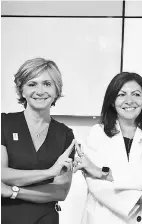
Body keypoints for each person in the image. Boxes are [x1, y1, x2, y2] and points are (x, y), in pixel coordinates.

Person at [72, 72, 142, 224]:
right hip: (103, 217)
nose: (129, 101)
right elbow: (97, 185)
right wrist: (141, 198)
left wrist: (104, 174)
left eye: (136, 94)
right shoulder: (97, 133)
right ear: (112, 101)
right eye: (121, 95)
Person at [1, 58, 76, 224]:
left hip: (45, 218)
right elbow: (2, 173)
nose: (40, 91)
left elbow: (60, 191)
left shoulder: (65, 135)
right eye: (32, 84)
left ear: (57, 90)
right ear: (21, 90)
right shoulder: (4, 124)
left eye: (47, 84)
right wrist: (49, 173)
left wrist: (12, 191)